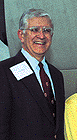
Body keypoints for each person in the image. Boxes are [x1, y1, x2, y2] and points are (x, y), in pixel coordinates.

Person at [0, 9, 65, 139]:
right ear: (21, 35)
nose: (41, 36)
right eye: (34, 30)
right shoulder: (4, 72)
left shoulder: (56, 75)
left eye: (47, 30)